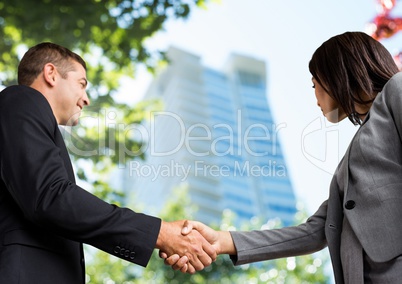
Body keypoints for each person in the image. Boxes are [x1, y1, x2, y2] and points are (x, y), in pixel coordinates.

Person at [162, 31, 402, 283]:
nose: (315, 96)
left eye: (314, 84)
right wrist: (221, 241)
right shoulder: (349, 163)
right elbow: (315, 231)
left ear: (335, 74)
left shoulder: (397, 90)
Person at [0, 42, 216, 283]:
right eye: (81, 84)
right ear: (51, 74)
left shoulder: (35, 126)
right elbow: (51, 197)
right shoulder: (22, 99)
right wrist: (161, 233)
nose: (86, 99)